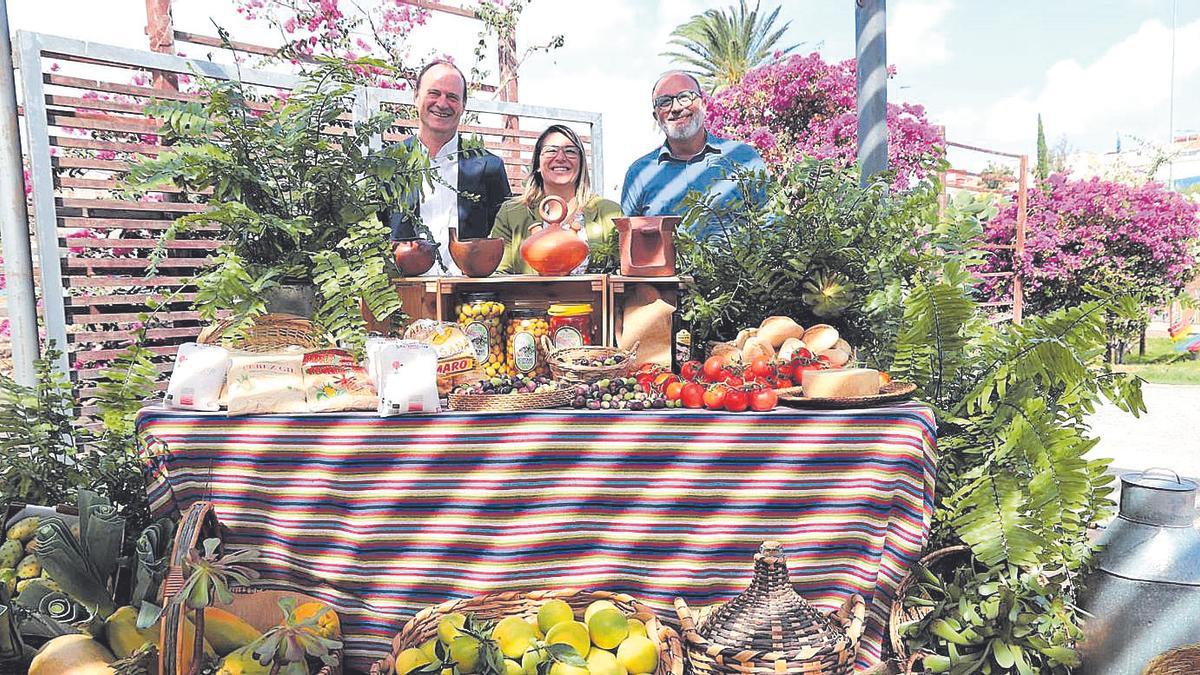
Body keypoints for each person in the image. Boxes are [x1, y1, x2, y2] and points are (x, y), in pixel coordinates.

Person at [382, 59, 511, 275]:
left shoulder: (490, 168)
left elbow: (503, 238)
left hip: (470, 295)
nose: (442, 104)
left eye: (452, 97)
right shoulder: (386, 167)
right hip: (403, 292)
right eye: (434, 93)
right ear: (416, 97)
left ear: (463, 106)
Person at [621, 71, 767, 239]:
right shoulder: (639, 174)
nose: (676, 108)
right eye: (665, 102)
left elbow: (773, 228)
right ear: (656, 116)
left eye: (685, 97)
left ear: (703, 104)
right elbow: (628, 243)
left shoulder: (745, 159)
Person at [490, 124, 622, 275]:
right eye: (551, 150)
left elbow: (623, 273)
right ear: (537, 164)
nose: (560, 158)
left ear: (581, 164)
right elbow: (498, 274)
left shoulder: (610, 213)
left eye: (570, 151)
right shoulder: (511, 213)